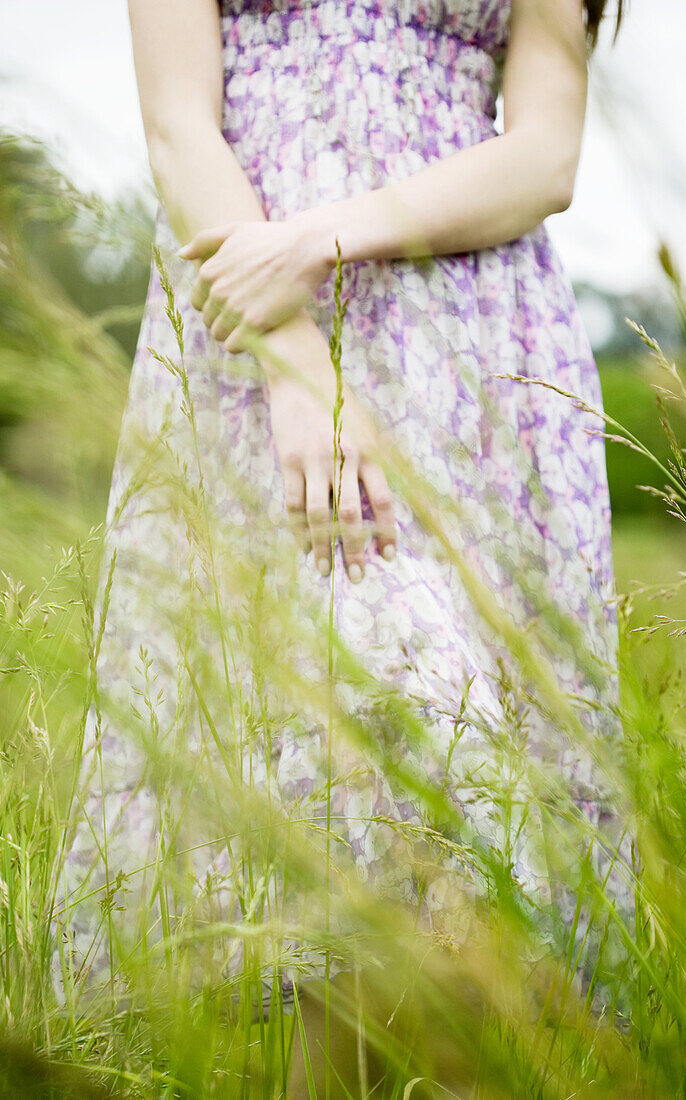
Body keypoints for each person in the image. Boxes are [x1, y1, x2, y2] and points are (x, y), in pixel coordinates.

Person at [52, 0, 631, 1096]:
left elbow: (547, 151)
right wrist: (298, 365)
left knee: (465, 827)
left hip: (478, 351)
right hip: (254, 345)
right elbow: (181, 124)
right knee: (338, 832)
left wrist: (324, 236)